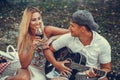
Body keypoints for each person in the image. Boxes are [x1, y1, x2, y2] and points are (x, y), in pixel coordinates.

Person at [43, 10, 111, 80]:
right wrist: (56, 64)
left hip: (89, 77)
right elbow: (48, 50)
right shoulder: (69, 37)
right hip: (68, 75)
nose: (69, 29)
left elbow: (107, 68)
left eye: (72, 26)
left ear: (82, 29)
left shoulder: (102, 44)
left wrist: (94, 74)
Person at [5, 6, 69, 80]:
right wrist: (32, 48)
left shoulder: (47, 31)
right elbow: (24, 65)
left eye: (39, 18)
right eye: (33, 20)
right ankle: (7, 78)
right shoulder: (24, 38)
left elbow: (71, 32)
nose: (38, 22)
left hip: (47, 68)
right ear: (27, 22)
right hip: (30, 68)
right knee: (22, 78)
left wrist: (52, 38)